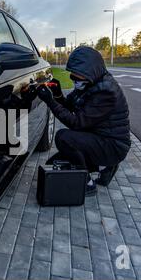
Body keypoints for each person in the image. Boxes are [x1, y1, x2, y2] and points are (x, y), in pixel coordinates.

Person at [36, 46, 131, 196]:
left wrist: (50, 102)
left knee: (64, 138)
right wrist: (58, 94)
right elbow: (70, 106)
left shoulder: (106, 93)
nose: (73, 79)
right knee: (52, 164)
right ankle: (103, 168)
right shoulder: (91, 83)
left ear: (89, 72)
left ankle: (87, 182)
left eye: (76, 76)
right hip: (100, 136)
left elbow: (76, 123)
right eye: (72, 76)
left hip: (113, 145)